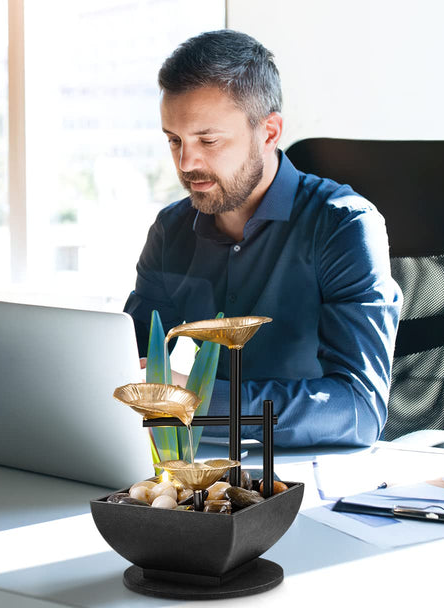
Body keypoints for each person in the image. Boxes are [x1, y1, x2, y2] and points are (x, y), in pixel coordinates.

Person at [124, 29, 402, 447]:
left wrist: (196, 399)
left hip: (315, 470)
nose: (186, 162)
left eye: (208, 140)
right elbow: (126, 360)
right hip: (203, 461)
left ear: (269, 132)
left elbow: (359, 409)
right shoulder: (171, 230)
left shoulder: (344, 226)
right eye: (174, 140)